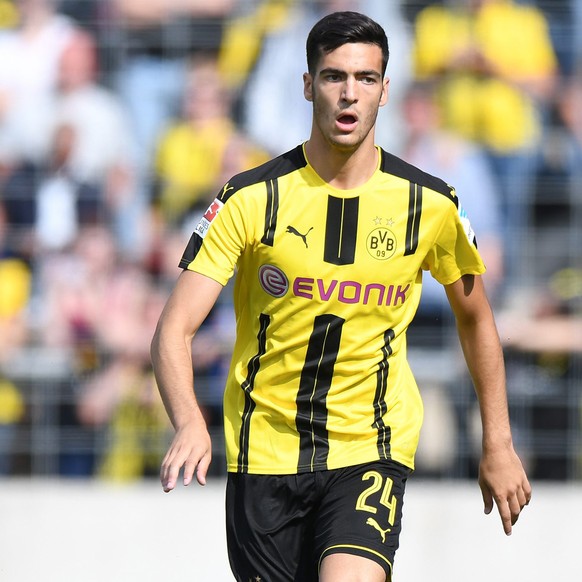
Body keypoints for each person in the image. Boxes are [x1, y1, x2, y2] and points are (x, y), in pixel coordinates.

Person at [151, 11, 531, 581]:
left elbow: (477, 321)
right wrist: (187, 421)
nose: (349, 94)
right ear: (307, 86)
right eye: (333, 77)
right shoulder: (252, 199)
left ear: (385, 90)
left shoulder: (429, 205)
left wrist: (497, 442)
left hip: (369, 446)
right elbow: (173, 329)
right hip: (265, 453)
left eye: (366, 78)